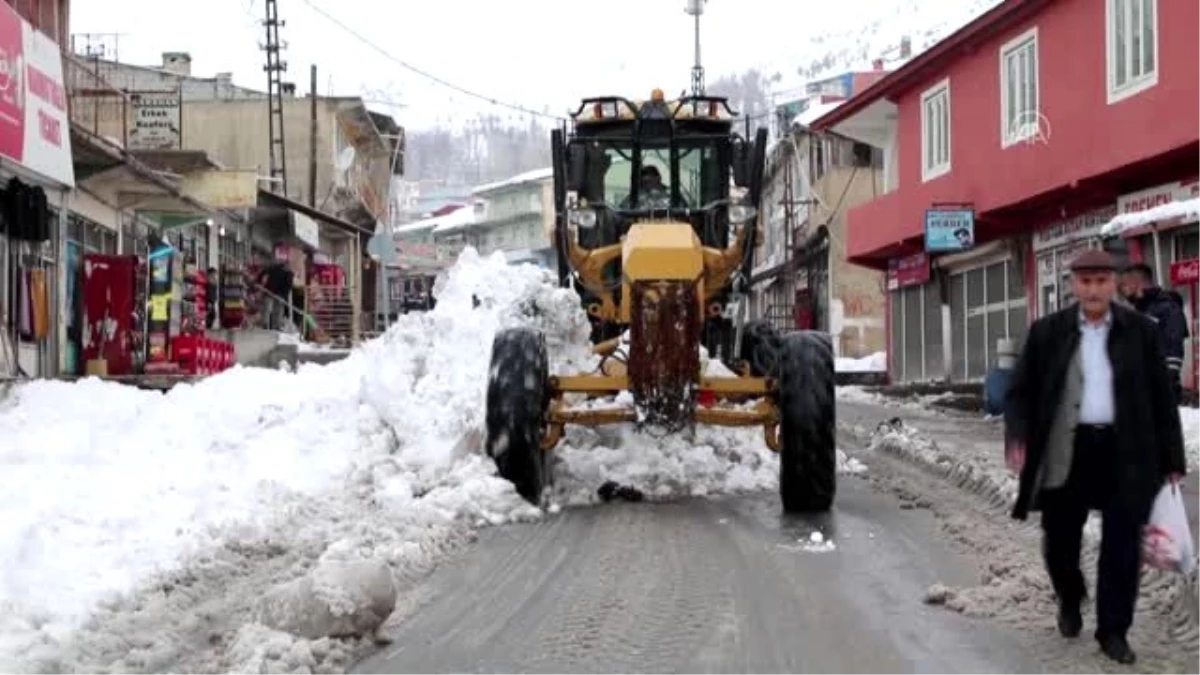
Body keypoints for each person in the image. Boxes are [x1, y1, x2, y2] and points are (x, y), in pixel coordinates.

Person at [1004, 248, 1186, 665]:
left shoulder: (1139, 331)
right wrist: (1018, 434)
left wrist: (1172, 457)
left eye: (1101, 281)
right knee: (1060, 542)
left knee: (1122, 547)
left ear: (1114, 284)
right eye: (1085, 282)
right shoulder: (1047, 332)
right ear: (1073, 286)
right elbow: (1020, 392)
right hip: (1069, 450)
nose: (1093, 290)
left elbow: (1161, 398)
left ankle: (1113, 631)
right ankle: (1070, 596)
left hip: (1127, 453)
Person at [1120, 262, 1188, 400]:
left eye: (1125, 285)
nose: (1123, 290)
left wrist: (1170, 376)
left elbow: (1174, 342)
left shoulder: (1167, 307)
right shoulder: (1140, 310)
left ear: (1137, 283)